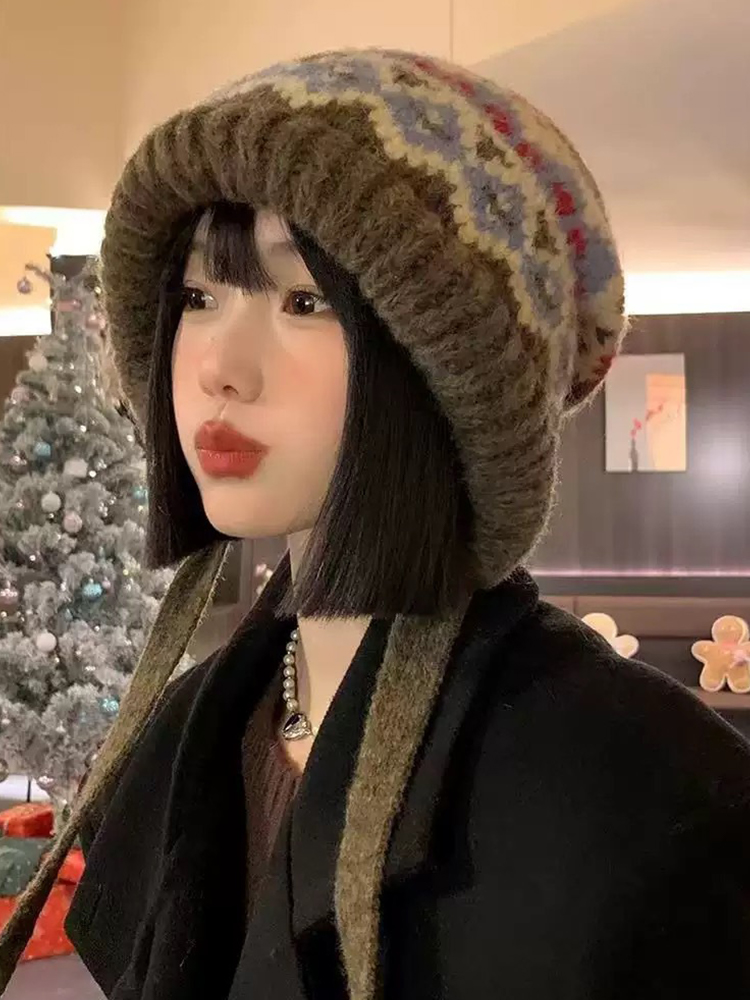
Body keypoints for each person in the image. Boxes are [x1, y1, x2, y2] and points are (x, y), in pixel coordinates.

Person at [2, 47, 750, 1000]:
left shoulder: (649, 795)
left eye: (303, 301)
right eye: (198, 296)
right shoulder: (185, 732)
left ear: (444, 380)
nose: (220, 366)